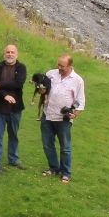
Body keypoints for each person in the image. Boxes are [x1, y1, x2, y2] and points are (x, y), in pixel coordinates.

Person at [40, 53, 85, 183]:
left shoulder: (77, 80)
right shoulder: (51, 74)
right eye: (58, 64)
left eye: (62, 66)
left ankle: (66, 173)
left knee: (65, 147)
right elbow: (43, 89)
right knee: (47, 144)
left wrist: (74, 114)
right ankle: (53, 168)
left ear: (70, 66)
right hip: (48, 115)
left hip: (63, 120)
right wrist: (41, 90)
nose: (59, 67)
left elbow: (80, 101)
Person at [0, 43, 28, 174]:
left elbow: (18, 83)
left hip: (15, 109)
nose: (10, 54)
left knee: (13, 135)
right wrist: (4, 95)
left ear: (17, 54)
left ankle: (13, 159)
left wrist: (0, 84)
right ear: (4, 53)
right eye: (8, 52)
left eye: (12, 52)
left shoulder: (21, 68)